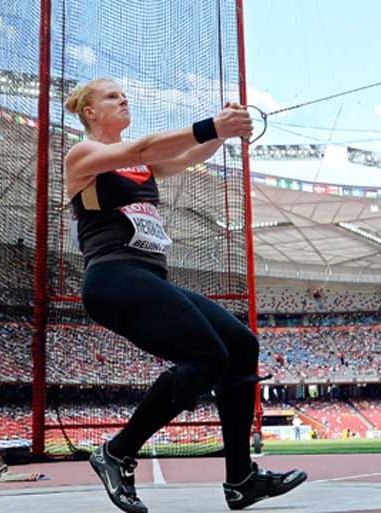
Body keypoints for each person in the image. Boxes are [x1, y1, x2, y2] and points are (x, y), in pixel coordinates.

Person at [64, 78, 306, 513]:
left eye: (124, 95)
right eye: (111, 96)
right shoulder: (83, 155)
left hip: (148, 277)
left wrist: (222, 133)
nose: (123, 100)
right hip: (112, 277)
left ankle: (241, 480)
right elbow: (143, 147)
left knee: (240, 345)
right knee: (209, 357)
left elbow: (190, 154)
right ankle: (117, 452)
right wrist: (214, 123)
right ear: (89, 113)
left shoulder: (142, 167)